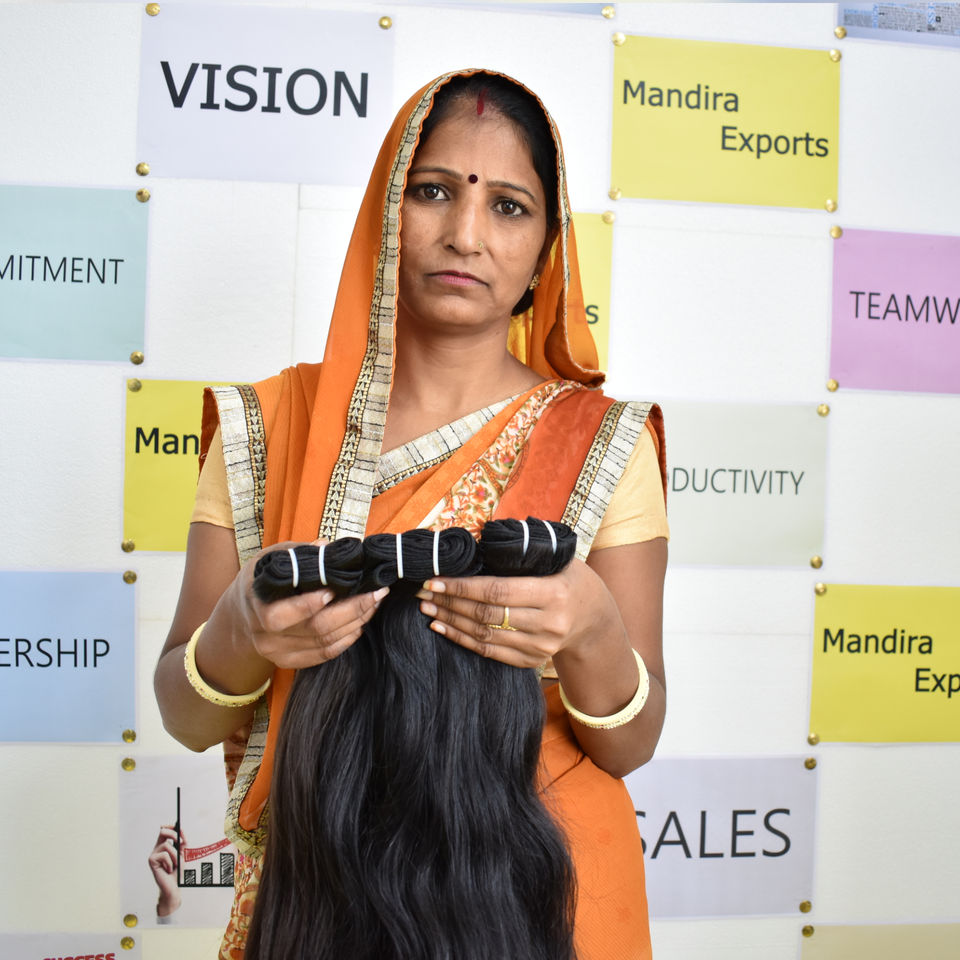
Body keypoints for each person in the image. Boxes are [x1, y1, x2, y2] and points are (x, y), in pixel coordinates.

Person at [155, 69, 668, 960]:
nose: (466, 233)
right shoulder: (268, 426)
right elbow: (185, 715)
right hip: (320, 898)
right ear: (385, 212)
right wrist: (241, 626)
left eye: (508, 206)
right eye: (432, 191)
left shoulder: (602, 443)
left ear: (547, 249)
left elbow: (630, 746)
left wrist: (591, 628)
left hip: (548, 903)